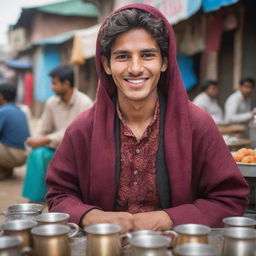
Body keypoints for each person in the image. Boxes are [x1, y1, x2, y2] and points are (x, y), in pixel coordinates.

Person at [46, 4, 248, 231]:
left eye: (147, 55)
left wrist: (170, 218)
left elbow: (229, 198)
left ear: (164, 62)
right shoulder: (83, 129)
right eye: (122, 56)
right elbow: (59, 195)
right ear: (106, 65)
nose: (135, 68)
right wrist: (91, 217)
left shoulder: (198, 125)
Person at [22, 64, 93, 202]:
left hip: (78, 152)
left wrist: (45, 140)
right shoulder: (51, 102)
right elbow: (43, 126)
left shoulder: (85, 103)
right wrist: (36, 139)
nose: (51, 87)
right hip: (56, 148)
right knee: (37, 153)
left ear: (66, 84)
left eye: (54, 83)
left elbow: (73, 132)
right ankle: (37, 199)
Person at [0, 83, 30, 180]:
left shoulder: (3, 111)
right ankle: (6, 170)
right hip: (23, 155)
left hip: (12, 155)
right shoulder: (21, 111)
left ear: (1, 96)